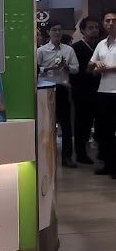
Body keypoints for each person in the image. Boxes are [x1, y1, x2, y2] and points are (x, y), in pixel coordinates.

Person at [37, 21, 79, 167]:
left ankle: (67, 157)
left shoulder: (68, 50)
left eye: (59, 30)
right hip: (45, 90)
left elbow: (76, 69)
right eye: (54, 30)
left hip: (62, 88)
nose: (57, 33)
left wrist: (66, 66)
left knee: (66, 125)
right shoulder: (41, 51)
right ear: (48, 32)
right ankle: (44, 157)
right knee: (46, 125)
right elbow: (35, 70)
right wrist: (48, 68)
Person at [89, 10, 116, 178]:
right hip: (103, 92)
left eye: (114, 20)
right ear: (104, 23)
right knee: (104, 131)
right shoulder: (100, 44)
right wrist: (96, 67)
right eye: (108, 20)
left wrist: (107, 68)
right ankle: (108, 164)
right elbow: (89, 67)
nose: (111, 23)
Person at [71, 16, 101, 165]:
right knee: (82, 123)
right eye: (90, 27)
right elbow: (74, 73)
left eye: (96, 27)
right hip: (82, 92)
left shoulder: (101, 46)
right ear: (82, 30)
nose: (94, 30)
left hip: (100, 91)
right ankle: (81, 153)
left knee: (101, 123)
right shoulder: (76, 48)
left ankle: (102, 154)